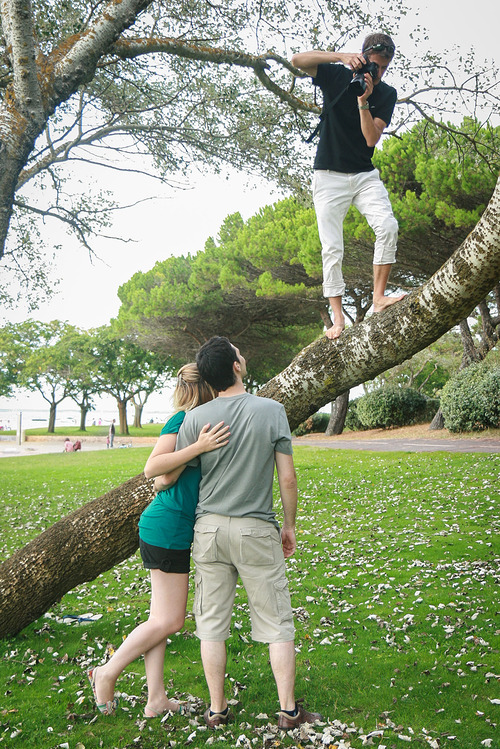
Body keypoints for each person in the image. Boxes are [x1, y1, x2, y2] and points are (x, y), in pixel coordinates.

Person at [176, 336, 321, 730]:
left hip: (208, 531)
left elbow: (175, 474)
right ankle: (289, 711)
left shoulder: (194, 419)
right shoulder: (271, 410)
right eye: (240, 352)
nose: (243, 355)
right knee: (277, 622)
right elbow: (287, 479)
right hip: (256, 529)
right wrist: (289, 526)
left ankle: (217, 710)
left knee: (211, 623)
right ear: (236, 367)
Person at [86, 363, 230, 717]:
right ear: (208, 387)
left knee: (159, 619)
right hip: (167, 526)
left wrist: (182, 463)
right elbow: (152, 469)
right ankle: (106, 673)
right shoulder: (183, 421)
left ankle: (156, 700)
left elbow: (164, 479)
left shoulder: (198, 424)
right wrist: (197, 448)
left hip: (171, 526)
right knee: (171, 621)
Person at [291, 33, 404, 340]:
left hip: (364, 174)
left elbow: (371, 139)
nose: (375, 72)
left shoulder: (386, 94)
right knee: (332, 248)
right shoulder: (337, 74)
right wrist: (340, 56)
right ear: (363, 57)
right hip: (328, 175)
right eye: (372, 64)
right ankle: (337, 319)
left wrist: (364, 101)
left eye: (382, 67)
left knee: (388, 226)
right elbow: (297, 60)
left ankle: (379, 298)